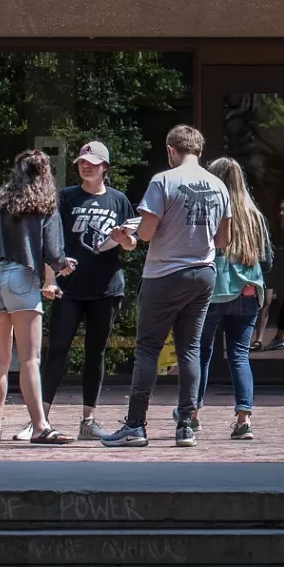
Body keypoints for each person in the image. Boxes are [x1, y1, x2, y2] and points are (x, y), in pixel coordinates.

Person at [98, 125, 230, 448]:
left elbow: (145, 233)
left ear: (171, 150)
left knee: (147, 349)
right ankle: (186, 424)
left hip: (164, 275)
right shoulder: (219, 186)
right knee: (190, 350)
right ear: (199, 150)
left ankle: (135, 425)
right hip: (203, 273)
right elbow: (224, 240)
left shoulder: (163, 181)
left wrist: (126, 235)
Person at [0, 149, 72, 444]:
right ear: (45, 174)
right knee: (29, 359)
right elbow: (52, 253)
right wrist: (64, 266)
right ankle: (40, 427)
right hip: (21, 278)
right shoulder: (44, 206)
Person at [38, 140, 136, 441]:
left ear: (105, 167)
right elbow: (50, 243)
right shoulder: (65, 198)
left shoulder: (119, 200)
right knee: (57, 350)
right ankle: (39, 419)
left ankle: (88, 419)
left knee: (96, 353)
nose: (86, 165)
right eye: (82, 161)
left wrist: (123, 239)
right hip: (68, 288)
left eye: (92, 162)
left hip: (106, 289)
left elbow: (132, 244)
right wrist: (49, 279)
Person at [195, 156, 269, 440]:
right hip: (247, 291)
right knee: (239, 355)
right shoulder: (253, 215)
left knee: (200, 354)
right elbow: (267, 258)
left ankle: (192, 415)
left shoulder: (211, 209)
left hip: (214, 291)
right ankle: (244, 419)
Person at [255, 198, 284, 351]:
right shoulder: (277, 229)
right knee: (280, 301)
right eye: (280, 209)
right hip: (279, 269)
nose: (281, 213)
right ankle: (282, 336)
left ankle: (281, 336)